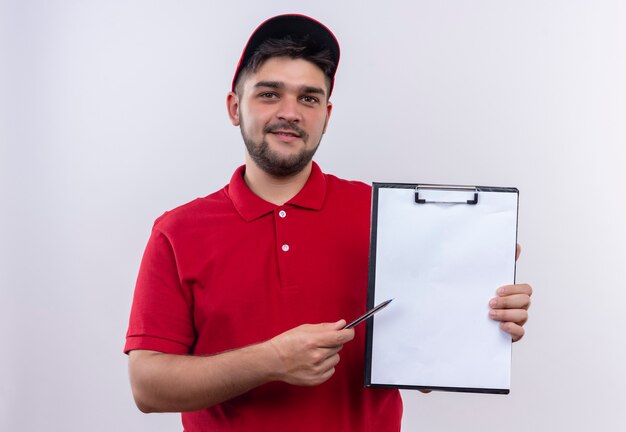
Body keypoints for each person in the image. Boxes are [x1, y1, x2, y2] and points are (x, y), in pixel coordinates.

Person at [124, 14, 532, 432]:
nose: (290, 112)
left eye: (309, 98)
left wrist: (478, 318)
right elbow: (148, 387)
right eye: (269, 94)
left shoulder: (385, 215)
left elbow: (424, 364)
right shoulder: (177, 231)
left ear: (327, 114)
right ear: (234, 107)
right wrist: (272, 360)